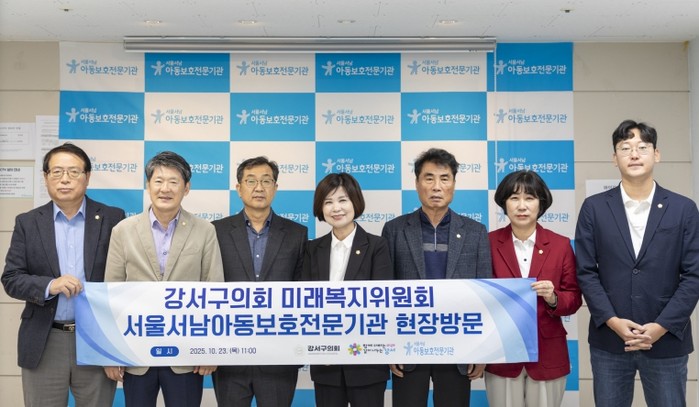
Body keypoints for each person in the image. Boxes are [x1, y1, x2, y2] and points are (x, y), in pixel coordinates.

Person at [575, 120, 699, 407]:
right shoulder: (594, 208)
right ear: (614, 157)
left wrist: (661, 326)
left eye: (642, 147)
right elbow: (586, 272)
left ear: (656, 154)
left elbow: (694, 275)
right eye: (625, 148)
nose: (634, 154)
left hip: (667, 339)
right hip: (610, 340)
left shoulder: (683, 209)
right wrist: (613, 321)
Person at [1, 142, 124, 406]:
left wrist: (116, 348)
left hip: (96, 339)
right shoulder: (28, 222)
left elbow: (124, 280)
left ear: (87, 177)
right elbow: (11, 279)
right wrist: (50, 285)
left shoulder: (113, 218)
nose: (64, 179)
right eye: (56, 172)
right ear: (45, 177)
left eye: (73, 172)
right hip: (45, 340)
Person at [102, 151, 224, 406]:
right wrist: (111, 352)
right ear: (148, 185)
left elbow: (214, 291)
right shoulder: (123, 230)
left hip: (186, 353)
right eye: (158, 181)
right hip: (136, 352)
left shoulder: (205, 230)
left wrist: (211, 348)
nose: (165, 188)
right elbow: (111, 294)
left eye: (173, 182)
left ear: (186, 188)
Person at [381, 147, 492, 407]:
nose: (436, 187)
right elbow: (384, 293)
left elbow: (484, 294)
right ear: (417, 183)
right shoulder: (395, 230)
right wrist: (389, 346)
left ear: (454, 184)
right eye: (429, 178)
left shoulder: (475, 232)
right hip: (409, 345)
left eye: (444, 179)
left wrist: (482, 350)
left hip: (458, 346)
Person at [212, 156, 307, 407]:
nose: (259, 188)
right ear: (238, 188)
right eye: (251, 181)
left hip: (279, 354)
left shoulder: (297, 233)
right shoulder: (216, 231)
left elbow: (302, 292)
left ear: (275, 187)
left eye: (266, 181)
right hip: (230, 352)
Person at [485, 170, 582, 407]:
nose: (522, 206)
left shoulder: (560, 245)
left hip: (547, 353)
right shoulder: (488, 242)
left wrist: (553, 297)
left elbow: (573, 298)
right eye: (514, 198)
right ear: (504, 203)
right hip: (502, 352)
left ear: (541, 203)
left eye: (529, 198)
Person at [302, 172, 393, 407]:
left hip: (366, 362)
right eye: (328, 202)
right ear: (320, 207)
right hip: (326, 363)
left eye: (343, 200)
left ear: (355, 202)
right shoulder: (312, 249)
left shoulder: (377, 246)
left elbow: (381, 305)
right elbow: (305, 303)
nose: (336, 208)